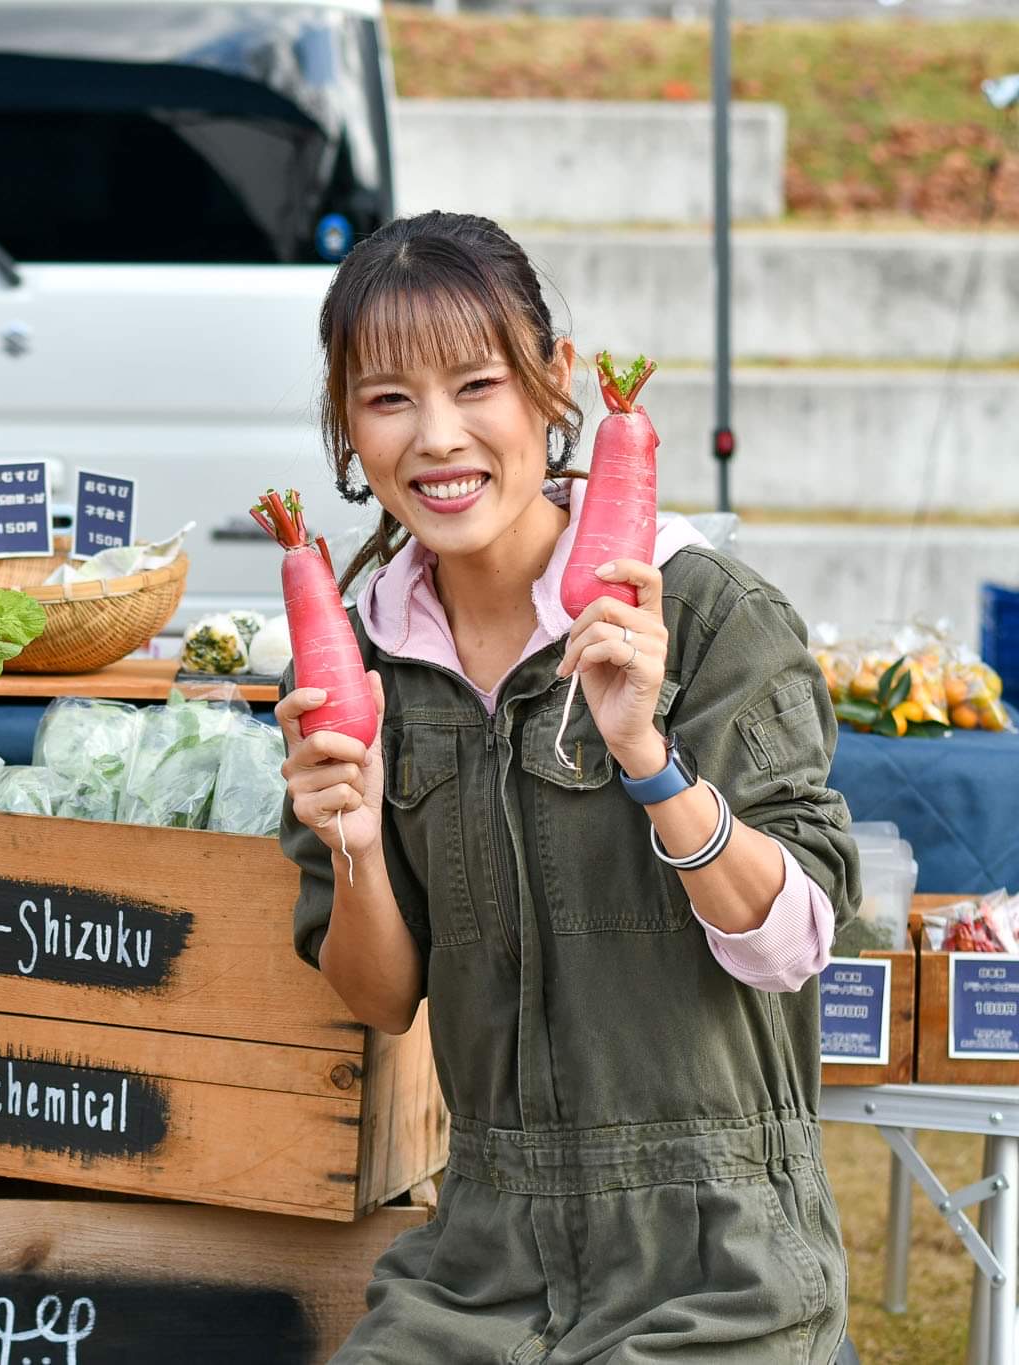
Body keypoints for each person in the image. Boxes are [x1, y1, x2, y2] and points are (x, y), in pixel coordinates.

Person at [277, 211, 862, 1364]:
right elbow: (380, 997)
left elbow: (795, 941)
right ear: (347, 425)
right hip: (481, 1261)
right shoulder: (361, 660)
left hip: (719, 1253)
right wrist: (348, 840)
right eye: (387, 397)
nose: (435, 439)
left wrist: (648, 759)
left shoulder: (697, 613)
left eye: (474, 384)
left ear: (552, 385)